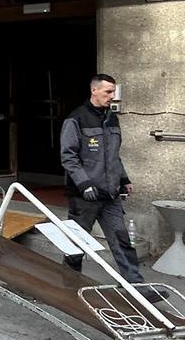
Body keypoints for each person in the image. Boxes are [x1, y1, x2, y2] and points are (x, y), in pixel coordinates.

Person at [59, 74, 166, 302]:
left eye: (113, 92)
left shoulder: (112, 119)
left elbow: (113, 156)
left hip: (110, 194)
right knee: (77, 242)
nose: (111, 96)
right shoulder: (76, 119)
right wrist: (84, 183)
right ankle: (68, 283)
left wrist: (124, 179)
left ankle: (135, 286)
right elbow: (68, 157)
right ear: (94, 91)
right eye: (108, 92)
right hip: (84, 196)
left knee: (122, 240)